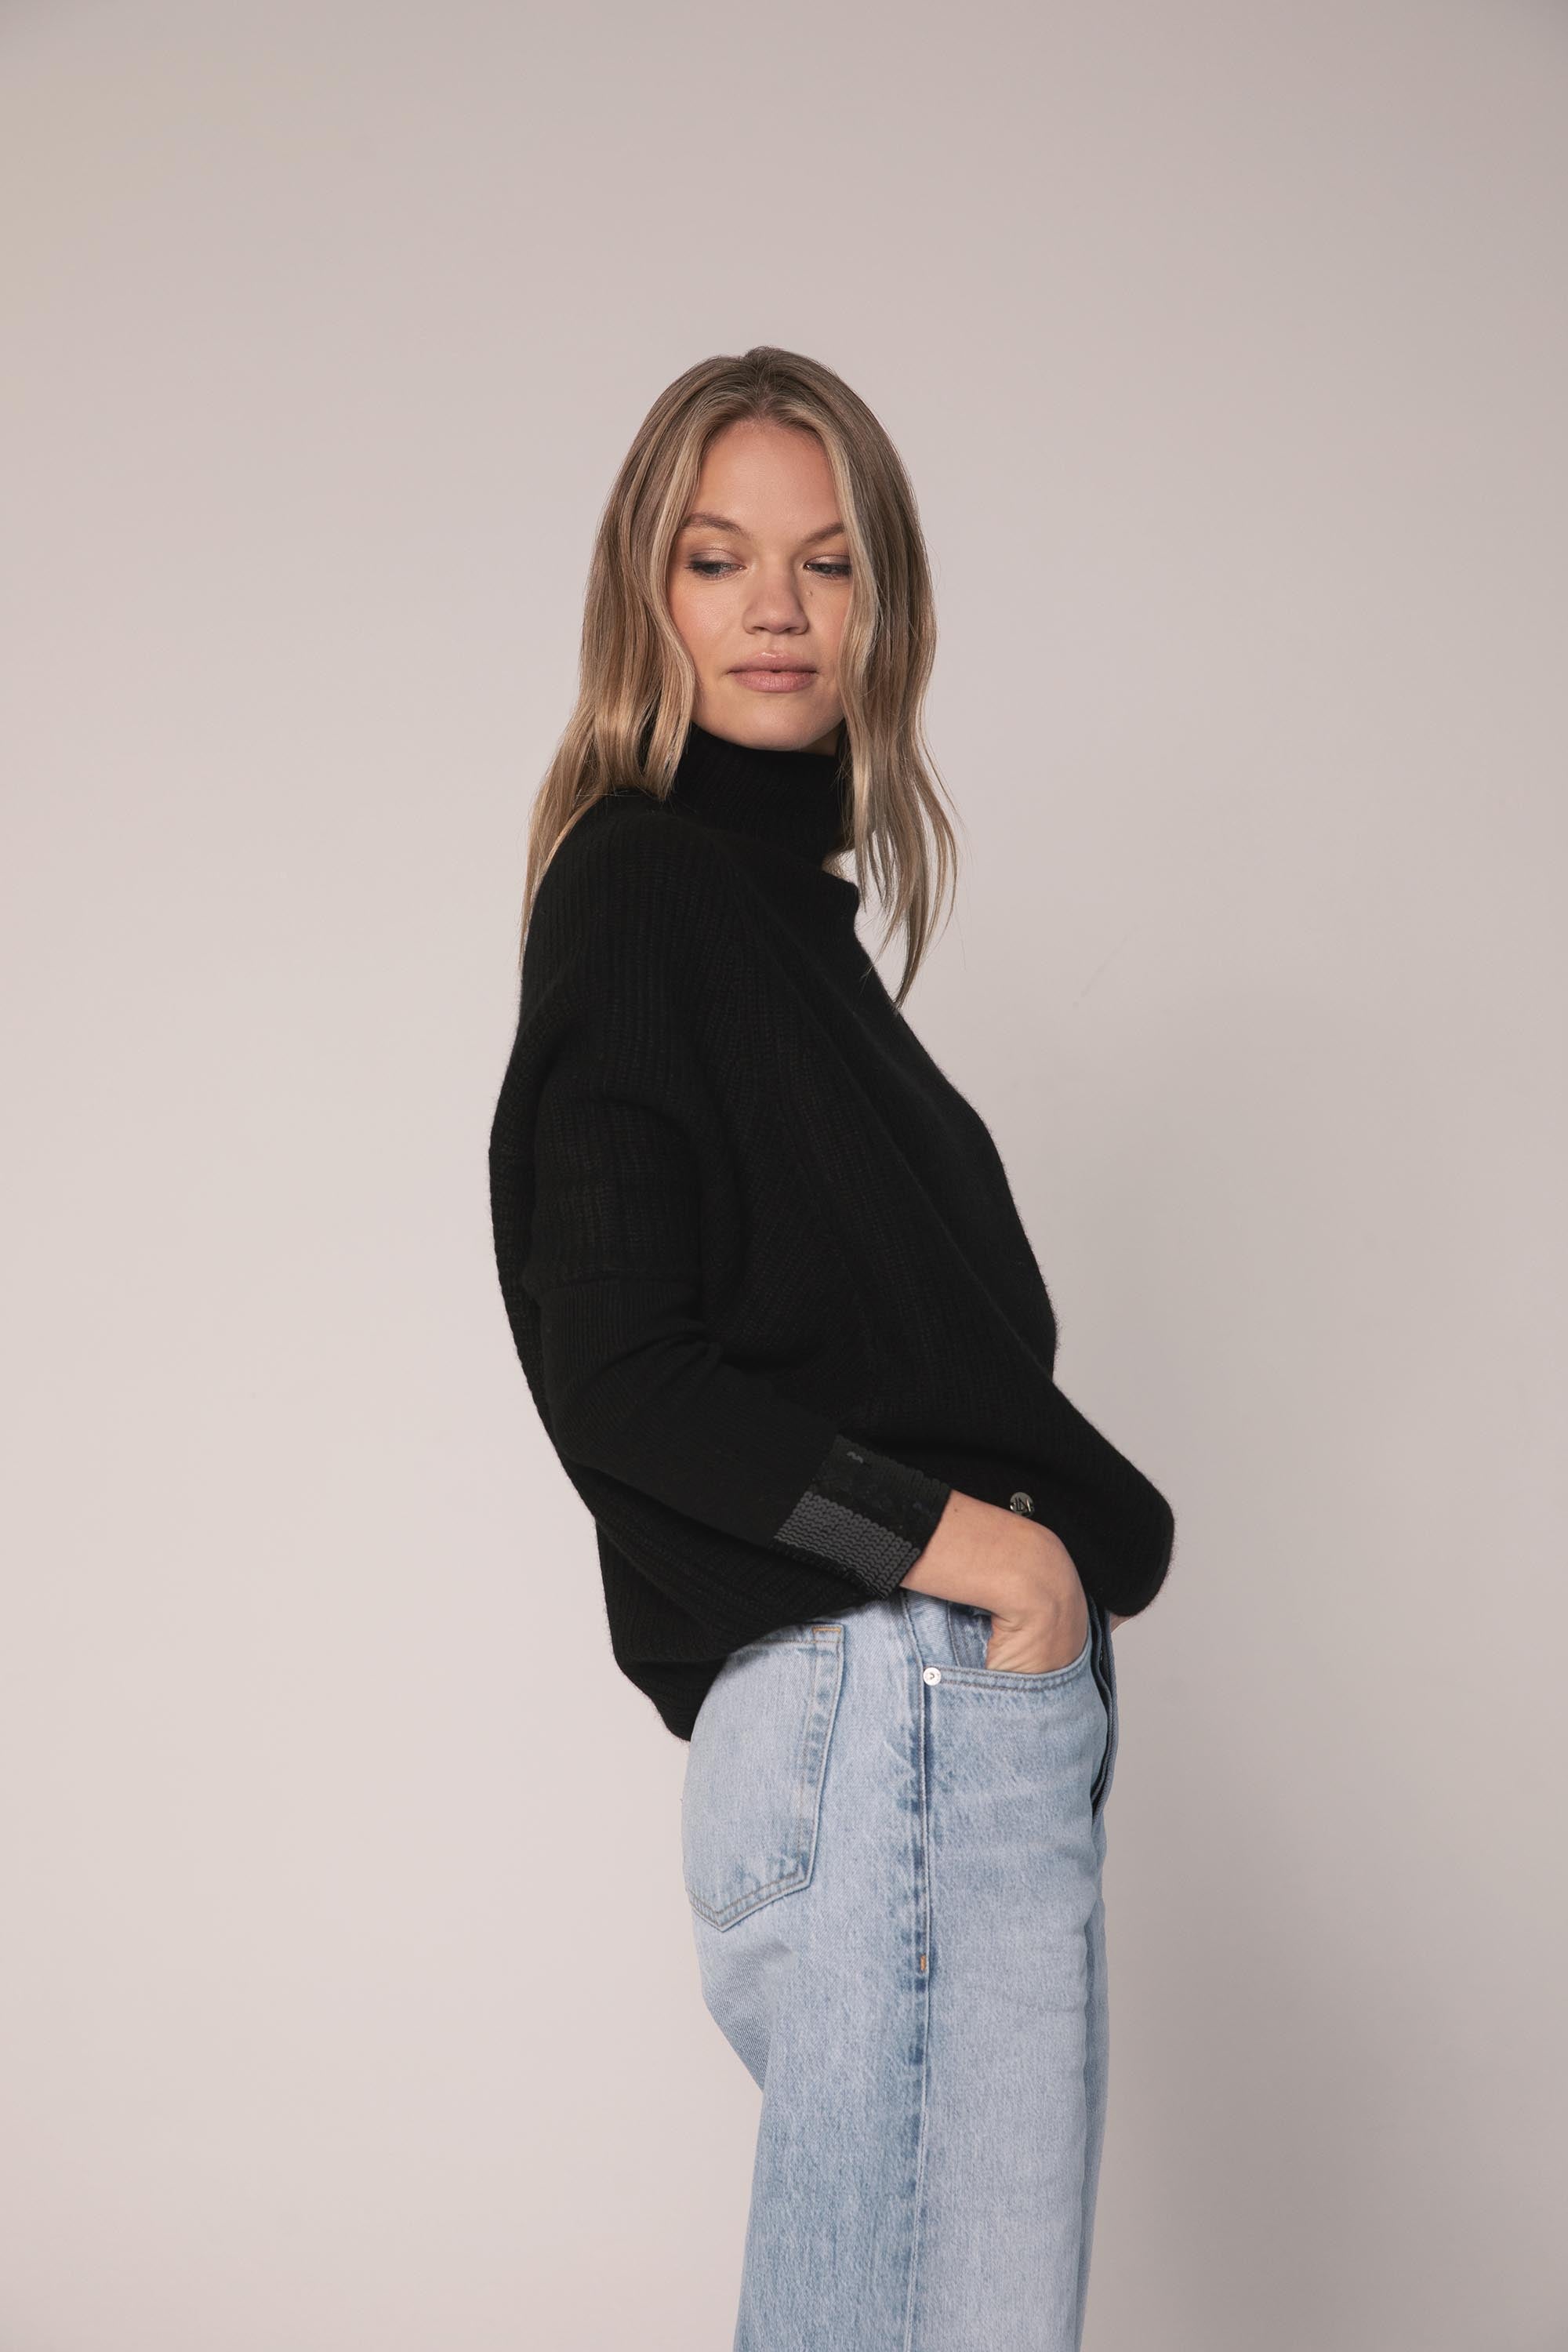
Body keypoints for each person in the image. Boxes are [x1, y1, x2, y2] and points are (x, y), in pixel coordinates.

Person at [488, 345, 1174, 2351]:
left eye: (826, 560)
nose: (775, 607)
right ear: (647, 596)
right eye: (717, 559)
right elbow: (622, 1371)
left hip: (890, 1723)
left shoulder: (785, 934)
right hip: (895, 1708)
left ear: (889, 604)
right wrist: (991, 1562)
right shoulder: (643, 887)